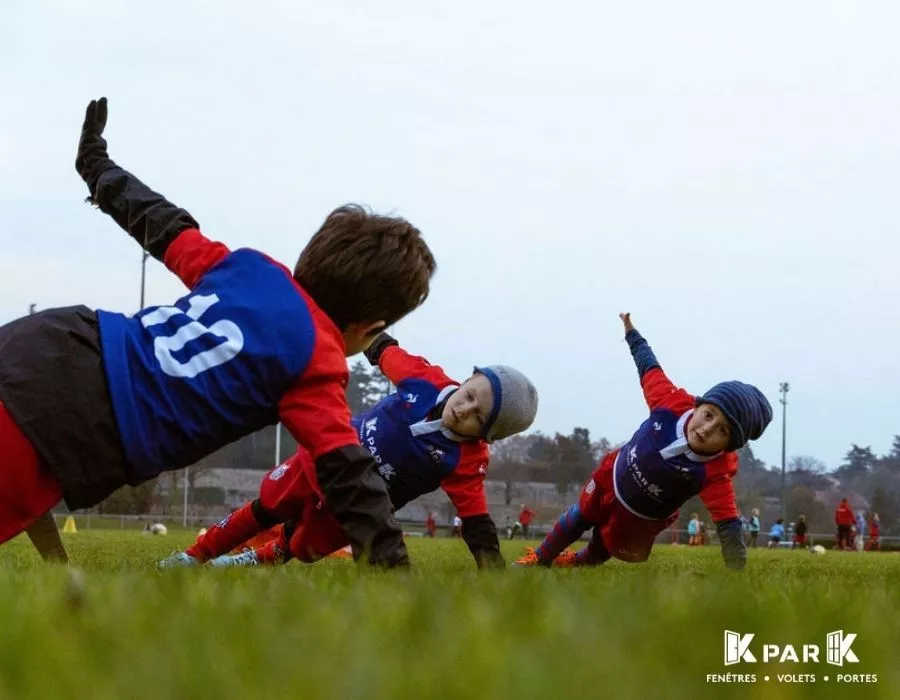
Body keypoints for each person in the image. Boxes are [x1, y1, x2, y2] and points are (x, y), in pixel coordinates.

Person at [0, 98, 437, 568]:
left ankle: (60, 574)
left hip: (59, 337)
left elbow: (164, 225)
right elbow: (350, 474)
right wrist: (395, 572)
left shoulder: (251, 268)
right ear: (369, 329)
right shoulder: (319, 362)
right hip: (83, 420)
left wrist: (96, 166)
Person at [159, 333, 538, 569]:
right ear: (468, 378)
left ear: (487, 436)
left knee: (303, 546)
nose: (465, 409)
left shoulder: (467, 460)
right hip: (325, 456)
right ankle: (196, 555)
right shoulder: (424, 380)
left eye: (478, 417)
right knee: (268, 507)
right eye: (470, 395)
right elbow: (383, 347)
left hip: (360, 507)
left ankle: (253, 559)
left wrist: (493, 572)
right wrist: (351, 324)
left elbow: (476, 521)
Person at [514, 313, 772, 570]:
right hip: (611, 478)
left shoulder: (715, 472)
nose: (706, 429)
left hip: (641, 516)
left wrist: (736, 573)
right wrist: (632, 335)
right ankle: (540, 558)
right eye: (708, 415)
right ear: (699, 405)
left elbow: (728, 521)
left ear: (728, 446)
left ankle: (575, 562)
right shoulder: (670, 402)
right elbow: (649, 367)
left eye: (722, 431)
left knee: (604, 547)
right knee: (578, 516)